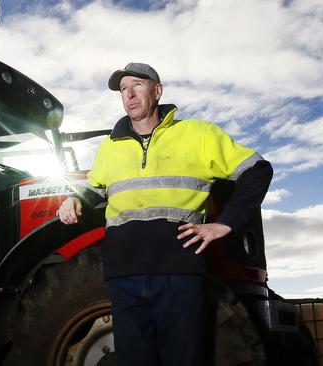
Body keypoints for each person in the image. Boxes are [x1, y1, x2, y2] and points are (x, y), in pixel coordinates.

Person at [58, 62, 273, 366]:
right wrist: (71, 199)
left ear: (157, 91)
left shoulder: (198, 134)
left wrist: (225, 224)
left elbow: (257, 170)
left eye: (137, 85)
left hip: (179, 273)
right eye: (123, 89)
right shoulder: (109, 147)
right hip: (124, 277)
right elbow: (94, 190)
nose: (129, 94)